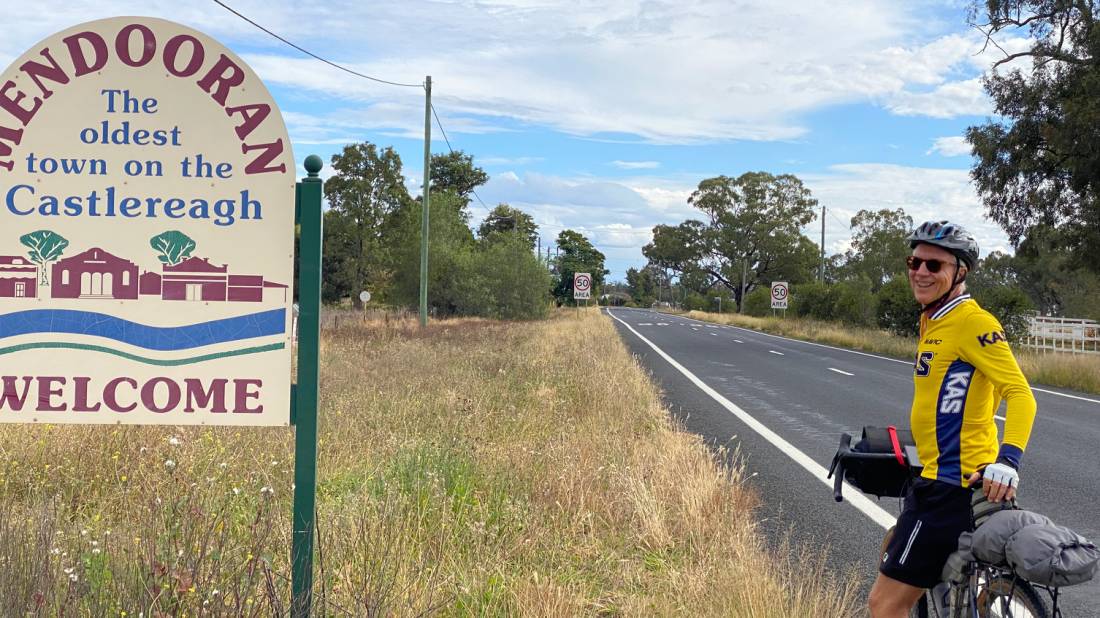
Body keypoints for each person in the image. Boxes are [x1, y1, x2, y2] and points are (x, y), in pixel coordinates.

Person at [868, 221, 1038, 618]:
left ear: (959, 272)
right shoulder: (934, 319)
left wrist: (1008, 460)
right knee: (904, 550)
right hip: (935, 476)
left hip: (952, 488)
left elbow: (1021, 395)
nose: (921, 272)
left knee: (884, 605)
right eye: (915, 261)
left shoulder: (972, 323)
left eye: (934, 265)